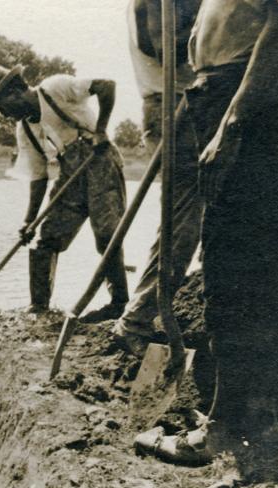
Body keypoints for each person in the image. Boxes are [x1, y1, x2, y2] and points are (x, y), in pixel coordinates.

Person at [136, 0, 278, 477]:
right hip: (219, 93)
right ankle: (245, 418)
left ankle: (228, 427)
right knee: (230, 260)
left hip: (243, 98)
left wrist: (232, 121)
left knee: (233, 265)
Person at [0, 66, 128, 318]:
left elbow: (107, 85)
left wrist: (102, 130)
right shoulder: (25, 130)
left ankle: (118, 305)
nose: (4, 114)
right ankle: (39, 308)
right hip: (70, 174)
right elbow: (38, 177)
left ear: (15, 91)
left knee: (107, 235)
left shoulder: (55, 87)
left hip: (99, 161)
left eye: (2, 106)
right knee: (47, 238)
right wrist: (29, 220)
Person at [112, 0, 203, 355]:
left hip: (188, 104)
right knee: (182, 222)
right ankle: (136, 317)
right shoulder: (152, 4)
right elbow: (168, 48)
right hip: (174, 107)